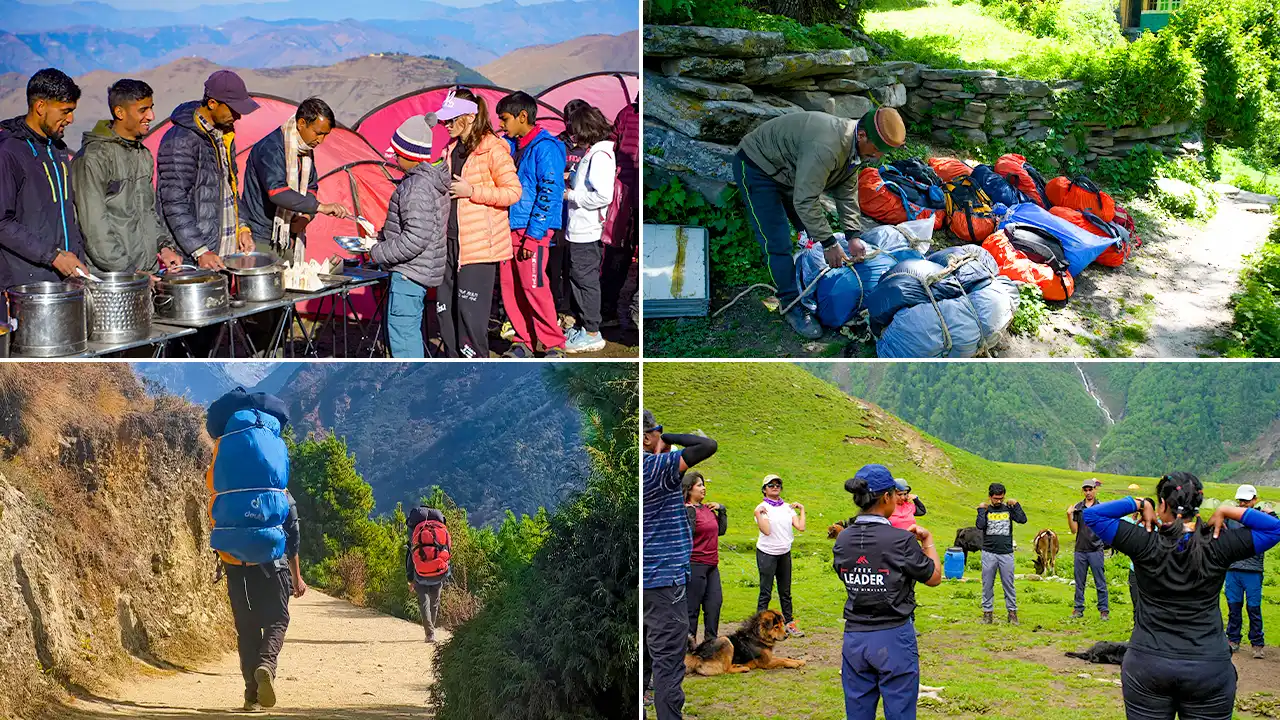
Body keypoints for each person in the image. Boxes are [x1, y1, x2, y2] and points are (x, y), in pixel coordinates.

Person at [1083, 472, 1280, 719]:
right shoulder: (1218, 542)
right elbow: (1274, 528)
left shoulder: (1144, 541)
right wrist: (1228, 511)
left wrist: (1139, 503)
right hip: (1208, 667)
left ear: (1162, 504)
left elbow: (1093, 515)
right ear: (1197, 504)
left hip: (1148, 665)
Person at [734, 108, 906, 339]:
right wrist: (829, 243)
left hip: (788, 170)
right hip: (758, 167)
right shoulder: (827, 147)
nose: (877, 157)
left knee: (807, 230)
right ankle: (791, 303)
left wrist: (853, 235)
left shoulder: (855, 147)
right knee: (777, 240)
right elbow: (805, 200)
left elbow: (846, 192)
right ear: (862, 135)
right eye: (876, 149)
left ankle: (802, 274)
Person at [205, 388, 305, 713]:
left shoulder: (227, 451)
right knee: (278, 618)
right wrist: (297, 575)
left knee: (246, 628)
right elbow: (292, 528)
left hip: (233, 557)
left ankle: (251, 697)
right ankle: (266, 665)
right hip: (271, 558)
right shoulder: (277, 486)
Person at [834, 464, 942, 720]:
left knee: (857, 712)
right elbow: (934, 577)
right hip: (893, 635)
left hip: (855, 637)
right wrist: (927, 542)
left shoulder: (843, 538)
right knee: (900, 710)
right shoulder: (901, 540)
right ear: (886, 497)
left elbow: (843, 573)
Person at [435, 88, 521, 359]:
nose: (446, 125)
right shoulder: (449, 149)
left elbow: (513, 192)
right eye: (444, 120)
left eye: (451, 119)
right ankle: (452, 366)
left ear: (470, 117)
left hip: (479, 247)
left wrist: (472, 191)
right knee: (445, 311)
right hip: (449, 242)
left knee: (470, 316)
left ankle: (476, 369)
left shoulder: (493, 150)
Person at [643, 410, 717, 720]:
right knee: (669, 663)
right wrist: (668, 438)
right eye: (657, 431)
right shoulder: (654, 468)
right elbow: (707, 445)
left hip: (644, 578)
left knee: (645, 656)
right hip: (664, 579)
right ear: (647, 437)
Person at [70, 78, 182, 276]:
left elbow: (148, 213)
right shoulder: (94, 158)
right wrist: (131, 273)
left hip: (147, 274)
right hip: (113, 280)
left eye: (151, 108)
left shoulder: (143, 155)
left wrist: (164, 246)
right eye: (143, 110)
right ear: (120, 112)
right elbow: (94, 229)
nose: (151, 116)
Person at [157, 70, 260, 271]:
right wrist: (200, 250)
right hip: (196, 257)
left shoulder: (224, 136)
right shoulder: (181, 140)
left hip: (223, 253)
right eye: (233, 109)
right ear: (212, 103)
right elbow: (173, 202)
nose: (238, 116)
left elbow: (230, 189)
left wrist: (243, 228)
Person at [0, 68, 88, 302]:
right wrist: (53, 256)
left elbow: (64, 216)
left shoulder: (57, 149)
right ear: (40, 107)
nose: (70, 119)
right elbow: (2, 222)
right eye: (65, 111)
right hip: (26, 289)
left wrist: (76, 257)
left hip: (64, 280)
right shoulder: (9, 152)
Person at [369, 115, 450, 358]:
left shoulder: (416, 187)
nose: (394, 158)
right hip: (420, 270)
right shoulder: (429, 182)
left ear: (409, 155)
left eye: (397, 154)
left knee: (404, 337)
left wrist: (377, 252)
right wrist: (384, 235)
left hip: (409, 273)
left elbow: (415, 237)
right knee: (408, 331)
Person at [495, 91, 566, 358]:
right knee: (511, 289)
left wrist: (534, 235)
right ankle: (522, 339)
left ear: (522, 116)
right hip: (509, 229)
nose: (501, 125)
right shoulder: (513, 146)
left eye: (504, 119)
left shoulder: (545, 148)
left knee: (534, 288)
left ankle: (553, 343)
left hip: (530, 231)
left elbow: (550, 191)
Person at [240, 97, 350, 263]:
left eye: (325, 135)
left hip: (288, 235)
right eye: (318, 133)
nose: (321, 140)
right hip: (262, 234)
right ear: (301, 123)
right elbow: (277, 191)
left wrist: (306, 217)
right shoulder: (271, 148)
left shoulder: (304, 151)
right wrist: (320, 207)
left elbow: (311, 187)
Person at [562, 105, 616, 354]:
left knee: (586, 280)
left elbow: (603, 195)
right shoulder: (594, 153)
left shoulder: (599, 156)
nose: (572, 136)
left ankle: (592, 332)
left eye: (575, 130)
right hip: (580, 227)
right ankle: (584, 327)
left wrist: (571, 195)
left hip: (588, 228)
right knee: (579, 278)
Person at [550, 98, 590, 321]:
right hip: (559, 213)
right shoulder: (557, 144)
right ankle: (554, 307)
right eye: (568, 121)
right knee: (555, 264)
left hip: (581, 214)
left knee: (575, 266)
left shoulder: (590, 148)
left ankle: (570, 309)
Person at [1225, 484, 1274, 659]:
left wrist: (1272, 514)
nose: (1243, 503)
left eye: (1246, 500)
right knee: (1234, 607)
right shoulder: (1230, 517)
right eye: (1241, 500)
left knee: (1253, 608)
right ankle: (1233, 640)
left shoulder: (1263, 518)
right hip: (1233, 569)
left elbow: (1275, 528)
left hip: (1253, 570)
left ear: (1255, 500)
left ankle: (1257, 644)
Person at [754, 473, 807, 637]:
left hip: (784, 553)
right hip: (767, 553)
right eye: (771, 485)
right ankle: (760, 626)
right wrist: (757, 514)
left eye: (778, 485)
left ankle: (789, 623)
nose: (775, 487)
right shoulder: (762, 508)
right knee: (766, 591)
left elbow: (801, 527)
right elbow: (766, 530)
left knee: (786, 592)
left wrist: (802, 509)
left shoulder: (787, 507)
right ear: (764, 489)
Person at [683, 470, 726, 645]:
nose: (703, 488)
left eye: (703, 485)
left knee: (714, 604)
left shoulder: (707, 509)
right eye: (699, 485)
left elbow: (720, 531)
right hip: (695, 564)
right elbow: (687, 536)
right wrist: (690, 515)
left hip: (712, 564)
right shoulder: (686, 510)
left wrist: (722, 510)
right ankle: (688, 648)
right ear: (689, 489)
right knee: (692, 609)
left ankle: (710, 646)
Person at [607, 95, 639, 328]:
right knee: (618, 249)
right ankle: (609, 307)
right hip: (625, 192)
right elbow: (612, 144)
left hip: (637, 189)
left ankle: (633, 308)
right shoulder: (627, 113)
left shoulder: (628, 113)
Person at [976, 482, 1026, 625]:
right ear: (990, 497)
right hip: (989, 552)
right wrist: (981, 510)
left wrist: (1016, 505)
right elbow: (980, 525)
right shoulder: (986, 510)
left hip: (1006, 552)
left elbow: (1022, 520)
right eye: (995, 498)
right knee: (987, 584)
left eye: (1001, 498)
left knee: (1009, 584)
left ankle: (1012, 613)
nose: (998, 501)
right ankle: (987, 613)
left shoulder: (1008, 509)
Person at [404, 506, 451, 643]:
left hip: (420, 574)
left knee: (424, 603)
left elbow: (410, 559)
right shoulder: (440, 531)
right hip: (438, 574)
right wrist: (446, 574)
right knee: (434, 603)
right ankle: (431, 632)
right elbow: (447, 554)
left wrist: (410, 579)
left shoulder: (417, 534)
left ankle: (429, 633)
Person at [1067, 478, 1110, 620]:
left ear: (1095, 490)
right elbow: (1074, 530)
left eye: (1090, 489)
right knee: (1079, 582)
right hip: (1080, 549)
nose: (1088, 492)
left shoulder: (1100, 508)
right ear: (1083, 491)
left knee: (1100, 581)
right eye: (1085, 490)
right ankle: (1078, 608)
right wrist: (1069, 515)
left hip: (1096, 549)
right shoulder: (1078, 508)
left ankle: (1104, 610)